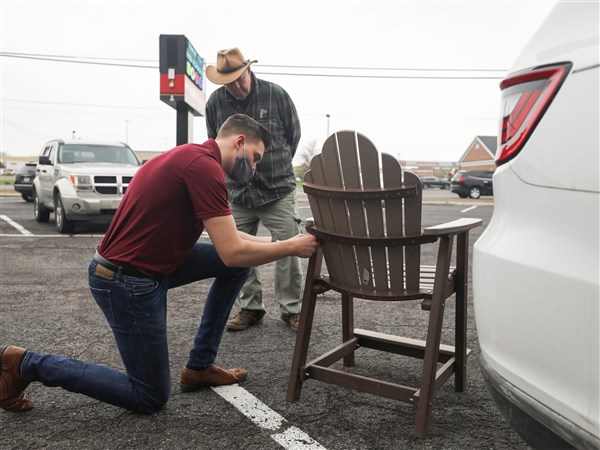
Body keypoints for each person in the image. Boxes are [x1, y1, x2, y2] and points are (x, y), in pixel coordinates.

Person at [0, 114, 318, 414]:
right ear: (239, 142)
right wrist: (292, 247)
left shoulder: (191, 156)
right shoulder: (204, 169)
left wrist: (281, 243)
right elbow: (232, 251)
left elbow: (230, 240)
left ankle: (199, 367)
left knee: (236, 268)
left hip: (147, 264)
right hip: (125, 280)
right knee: (149, 396)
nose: (255, 167)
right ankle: (24, 364)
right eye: (255, 158)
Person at [205, 47, 303, 333]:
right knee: (237, 248)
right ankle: (250, 308)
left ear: (248, 70)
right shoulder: (215, 103)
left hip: (277, 188)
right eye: (228, 82)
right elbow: (216, 143)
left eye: (239, 79)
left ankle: (293, 309)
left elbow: (293, 135)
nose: (235, 86)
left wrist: (271, 164)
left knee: (288, 247)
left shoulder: (276, 95)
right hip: (238, 193)